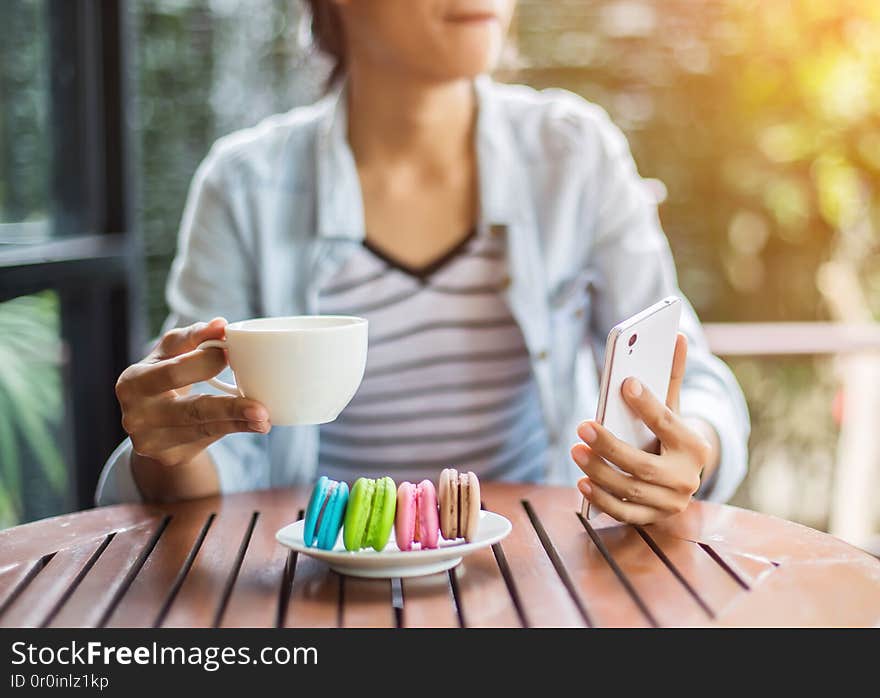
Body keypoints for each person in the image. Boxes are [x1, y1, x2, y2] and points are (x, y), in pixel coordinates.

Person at [99, 0, 750, 524]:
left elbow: (694, 383)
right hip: (317, 590)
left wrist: (691, 446)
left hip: (542, 579)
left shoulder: (576, 153)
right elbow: (214, 447)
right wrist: (166, 454)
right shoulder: (243, 187)